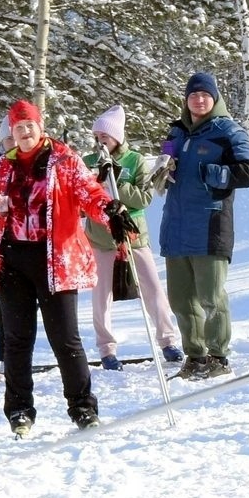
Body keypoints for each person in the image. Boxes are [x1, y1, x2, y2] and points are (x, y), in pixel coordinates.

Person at [0, 99, 132, 436]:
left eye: (28, 125)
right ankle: (19, 410)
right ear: (11, 133)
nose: (23, 131)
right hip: (12, 260)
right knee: (17, 341)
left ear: (39, 126)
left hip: (54, 260)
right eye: (17, 127)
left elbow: (89, 192)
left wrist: (111, 212)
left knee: (65, 339)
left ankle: (82, 407)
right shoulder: (3, 167)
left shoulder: (63, 160)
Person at [157, 70, 249, 378]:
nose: (199, 100)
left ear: (214, 99)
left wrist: (213, 174)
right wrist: (163, 169)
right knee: (180, 299)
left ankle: (218, 357)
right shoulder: (176, 132)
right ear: (186, 101)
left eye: (204, 95)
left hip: (210, 224)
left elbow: (248, 171)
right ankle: (195, 356)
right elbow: (165, 162)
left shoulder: (228, 131)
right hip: (176, 227)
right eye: (193, 95)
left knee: (211, 298)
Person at [82, 105, 181, 372]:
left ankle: (168, 341)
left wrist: (116, 181)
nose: (101, 139)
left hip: (132, 235)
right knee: (102, 295)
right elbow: (81, 202)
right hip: (101, 238)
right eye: (98, 134)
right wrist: (97, 185)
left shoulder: (134, 160)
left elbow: (144, 198)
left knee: (152, 289)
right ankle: (106, 348)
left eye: (106, 134)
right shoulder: (89, 162)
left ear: (117, 136)